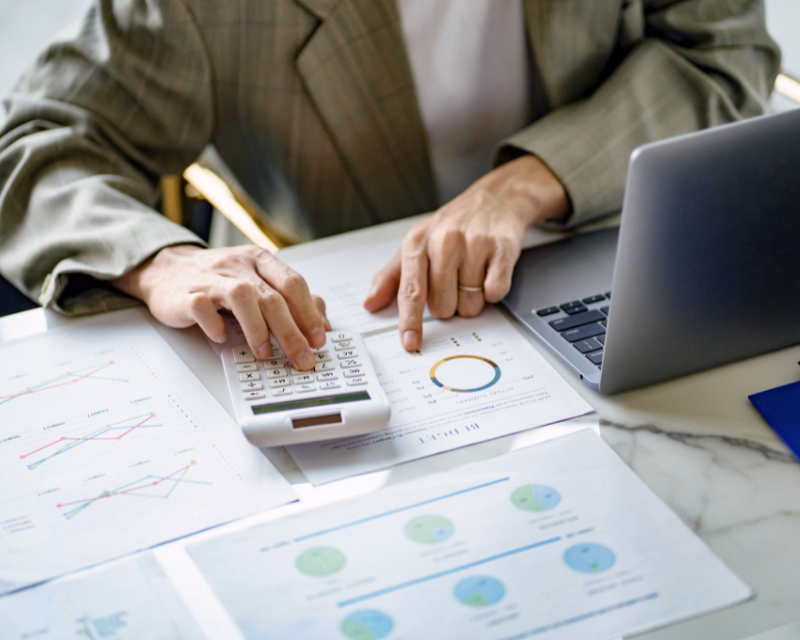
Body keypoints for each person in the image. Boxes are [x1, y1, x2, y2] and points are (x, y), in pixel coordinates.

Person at [0, 0, 780, 373]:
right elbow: (36, 141)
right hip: (348, 329)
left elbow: (724, 53)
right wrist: (163, 261)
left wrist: (525, 184)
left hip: (621, 265)